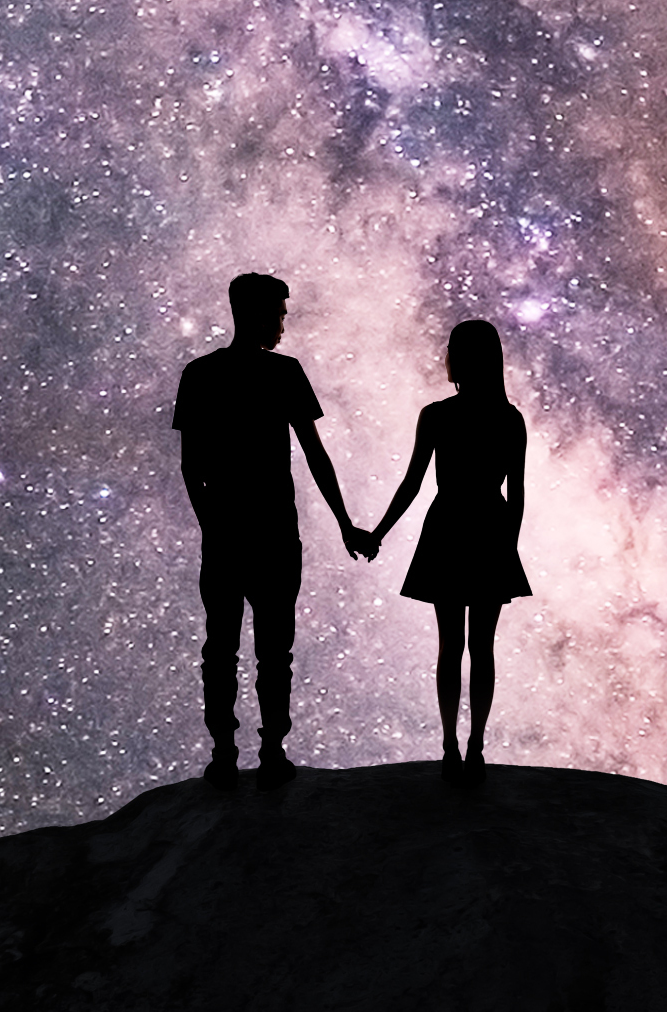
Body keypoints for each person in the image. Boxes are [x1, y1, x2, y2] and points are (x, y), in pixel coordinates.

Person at [173, 272, 366, 783]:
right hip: (273, 533)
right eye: (279, 312)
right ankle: (270, 750)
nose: (283, 322)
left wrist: (211, 523)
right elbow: (314, 455)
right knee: (270, 650)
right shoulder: (282, 373)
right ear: (255, 314)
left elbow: (193, 467)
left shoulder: (201, 374)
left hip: (234, 533)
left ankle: (226, 752)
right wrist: (345, 523)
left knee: (223, 647)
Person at [363, 317, 529, 780]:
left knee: (451, 645)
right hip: (488, 527)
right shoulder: (508, 418)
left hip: (450, 525)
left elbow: (413, 483)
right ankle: (473, 745)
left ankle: (452, 746)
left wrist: (378, 532)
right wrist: (507, 547)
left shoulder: (437, 415)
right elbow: (515, 494)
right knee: (481, 646)